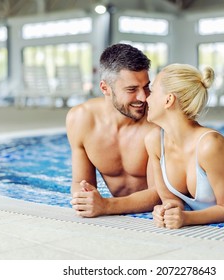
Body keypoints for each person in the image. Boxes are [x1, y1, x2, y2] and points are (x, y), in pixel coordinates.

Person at [145, 63, 224, 229]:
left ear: (169, 100)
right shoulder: (154, 142)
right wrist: (166, 211)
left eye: (151, 92)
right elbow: (170, 199)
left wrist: (186, 218)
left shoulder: (211, 145)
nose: (146, 98)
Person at [66, 43, 160, 217]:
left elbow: (159, 194)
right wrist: (85, 197)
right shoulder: (81, 119)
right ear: (105, 88)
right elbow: (80, 181)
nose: (143, 97)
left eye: (146, 87)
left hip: (152, 213)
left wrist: (106, 206)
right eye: (132, 89)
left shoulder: (156, 121)